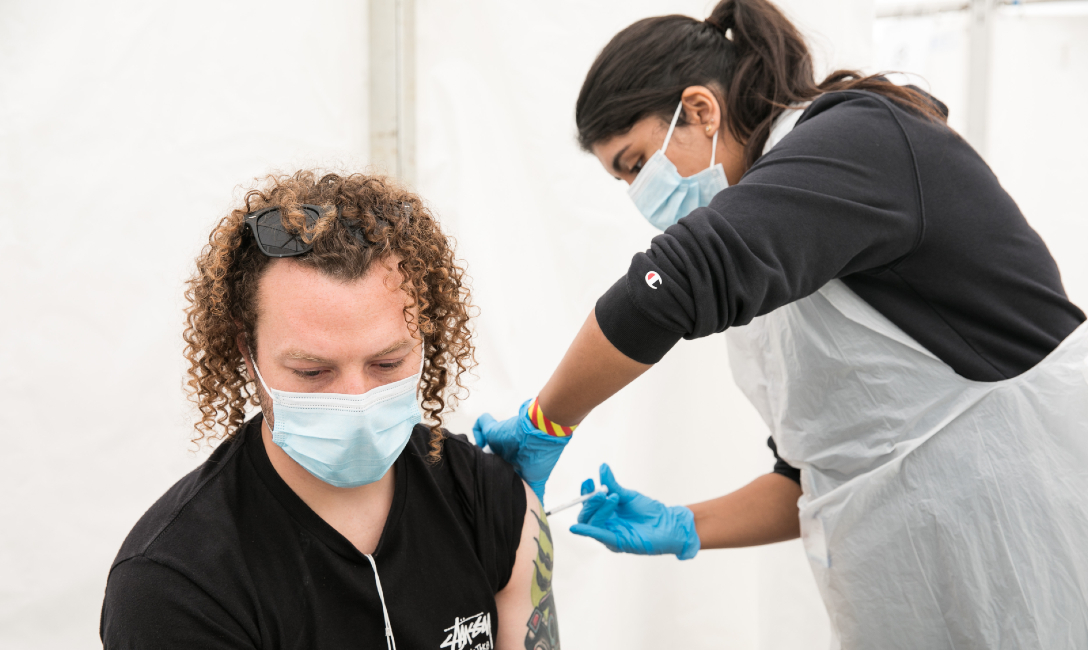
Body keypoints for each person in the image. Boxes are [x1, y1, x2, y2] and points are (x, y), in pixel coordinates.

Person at [474, 0, 1088, 646]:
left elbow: (666, 288)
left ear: (702, 109)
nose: (637, 195)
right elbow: (815, 473)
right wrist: (685, 525)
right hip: (920, 591)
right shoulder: (781, 252)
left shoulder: (856, 142)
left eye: (635, 164)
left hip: (1030, 543)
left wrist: (549, 419)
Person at [100, 172, 560, 650]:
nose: (356, 399)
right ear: (247, 353)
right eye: (312, 372)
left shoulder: (488, 500)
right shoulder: (176, 584)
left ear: (424, 339)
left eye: (387, 362)